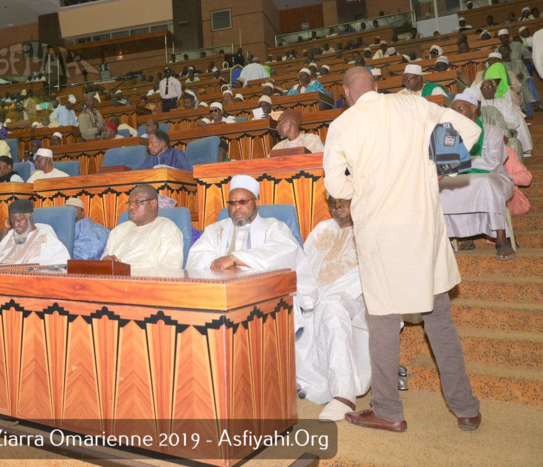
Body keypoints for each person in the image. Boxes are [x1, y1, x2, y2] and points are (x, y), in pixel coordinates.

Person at [323, 67, 482, 433]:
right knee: (439, 318)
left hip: (380, 235)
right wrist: (439, 167)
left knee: (382, 321)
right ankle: (466, 408)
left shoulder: (343, 125)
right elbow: (468, 130)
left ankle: (388, 410)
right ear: (377, 87)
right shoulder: (414, 105)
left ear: (346, 92)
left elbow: (337, 187)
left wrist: (360, 181)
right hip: (423, 229)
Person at [185, 173, 317, 318]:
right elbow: (196, 255)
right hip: (219, 298)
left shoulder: (273, 226)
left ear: (257, 202)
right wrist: (217, 264)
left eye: (243, 202)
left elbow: (283, 252)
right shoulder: (217, 229)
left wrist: (234, 259)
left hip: (264, 299)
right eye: (233, 203)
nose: (237, 208)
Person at [295, 196, 371, 422]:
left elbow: (369, 273)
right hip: (316, 294)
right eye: (332, 204)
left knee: (332, 306)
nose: (336, 209)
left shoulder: (368, 228)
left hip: (357, 296)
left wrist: (326, 294)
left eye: (343, 203)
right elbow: (302, 266)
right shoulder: (321, 229)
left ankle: (343, 395)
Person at [438, 91, 515, 260]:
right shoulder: (449, 135)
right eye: (454, 111)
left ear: (473, 107)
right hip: (461, 179)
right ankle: (447, 240)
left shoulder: (492, 132)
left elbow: (493, 162)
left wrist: (458, 162)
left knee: (485, 184)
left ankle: (502, 240)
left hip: (495, 178)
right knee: (439, 188)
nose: (456, 114)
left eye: (460, 109)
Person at [101, 184, 183, 271]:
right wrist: (104, 263)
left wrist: (127, 269)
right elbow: (102, 267)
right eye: (130, 202)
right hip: (111, 281)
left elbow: (170, 270)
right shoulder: (118, 231)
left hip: (144, 283)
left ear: (153, 204)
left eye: (138, 202)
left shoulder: (167, 228)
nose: (131, 207)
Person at [0, 199, 69, 265]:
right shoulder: (11, 233)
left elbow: (61, 262)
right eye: (12, 221)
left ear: (30, 216)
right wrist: (5, 230)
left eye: (19, 220)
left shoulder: (45, 236)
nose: (15, 225)